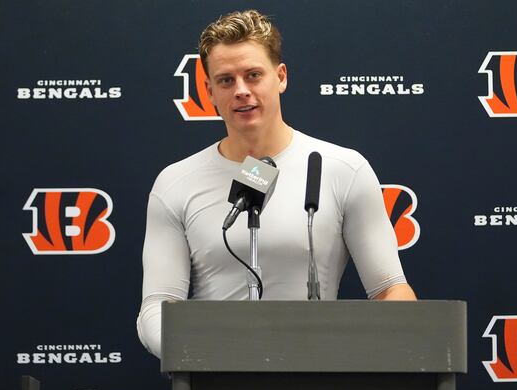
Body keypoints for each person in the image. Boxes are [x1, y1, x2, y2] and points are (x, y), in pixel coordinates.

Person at [137, 9, 416, 358]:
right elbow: (157, 306)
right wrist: (206, 353)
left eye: (253, 75)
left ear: (280, 77)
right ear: (208, 91)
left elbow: (392, 289)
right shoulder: (176, 183)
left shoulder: (342, 169)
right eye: (226, 81)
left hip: (320, 375)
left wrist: (355, 353)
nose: (241, 91)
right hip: (214, 379)